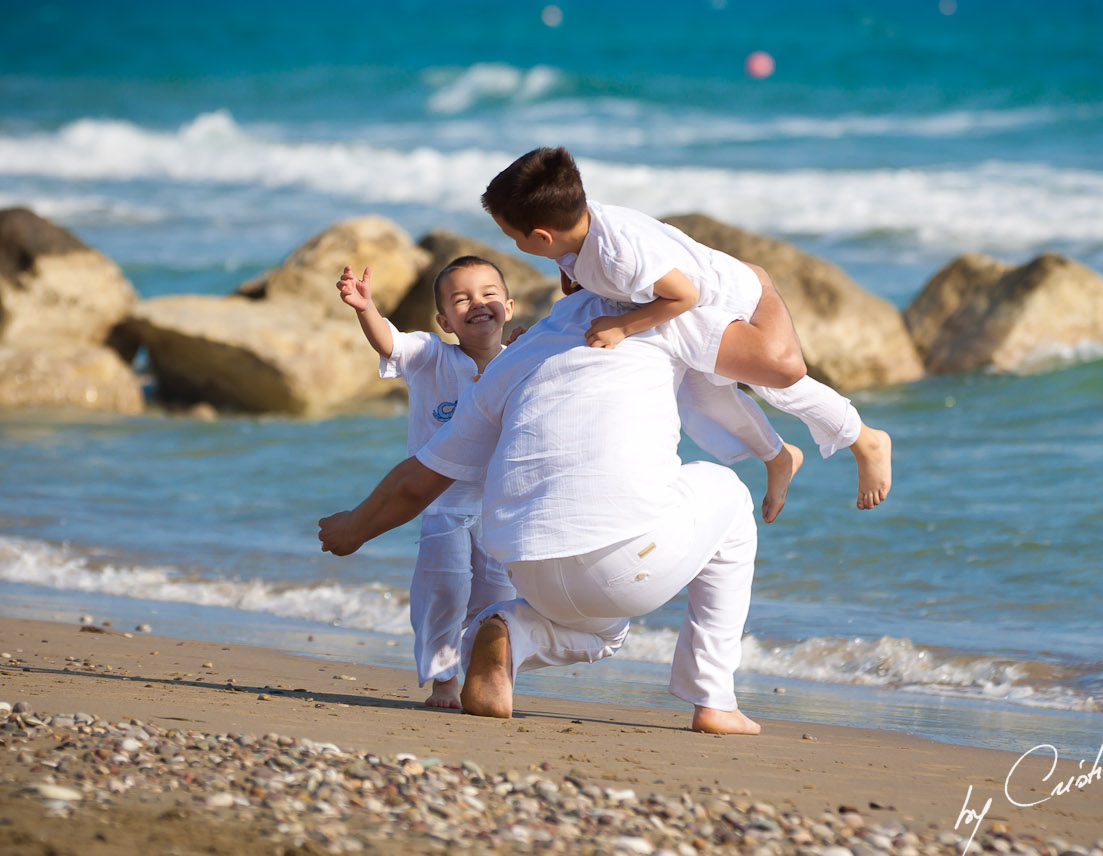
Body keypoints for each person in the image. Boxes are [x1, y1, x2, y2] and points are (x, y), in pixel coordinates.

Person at [318, 271, 809, 733]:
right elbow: (782, 365)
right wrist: (761, 284)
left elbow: (420, 478)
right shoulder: (667, 322)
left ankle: (509, 626)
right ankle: (715, 699)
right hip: (619, 564)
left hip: (528, 569)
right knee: (729, 493)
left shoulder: (515, 356)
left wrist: (353, 529)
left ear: (564, 281)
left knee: (602, 627)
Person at [480, 146, 892, 511]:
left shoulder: (619, 255)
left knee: (776, 385)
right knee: (702, 399)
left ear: (542, 236)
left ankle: (866, 439)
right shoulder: (581, 232)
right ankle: (778, 456)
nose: (515, 246)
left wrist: (623, 327)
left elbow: (684, 295)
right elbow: (586, 281)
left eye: (513, 238)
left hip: (722, 300)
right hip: (683, 311)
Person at [336, 256, 517, 709]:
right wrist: (364, 309)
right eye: (462, 299)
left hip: (499, 507)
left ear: (509, 307)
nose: (478, 303)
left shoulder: (519, 364)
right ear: (445, 320)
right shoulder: (431, 355)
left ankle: (486, 671)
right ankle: (442, 679)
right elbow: (388, 341)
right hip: (441, 505)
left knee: (498, 600)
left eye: (488, 294)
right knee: (445, 591)